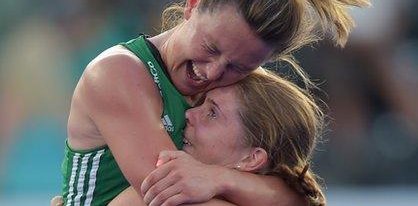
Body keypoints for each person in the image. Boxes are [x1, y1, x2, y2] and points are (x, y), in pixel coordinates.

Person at [61, 0, 370, 205]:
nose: (211, 72)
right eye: (210, 47)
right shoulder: (118, 73)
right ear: (193, 3)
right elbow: (169, 195)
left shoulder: (244, 88)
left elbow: (301, 193)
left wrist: (219, 179)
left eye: (238, 67)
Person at [57, 69, 326, 206]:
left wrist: (219, 179)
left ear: (252, 157)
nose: (189, 114)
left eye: (212, 113)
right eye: (201, 103)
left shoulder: (164, 190)